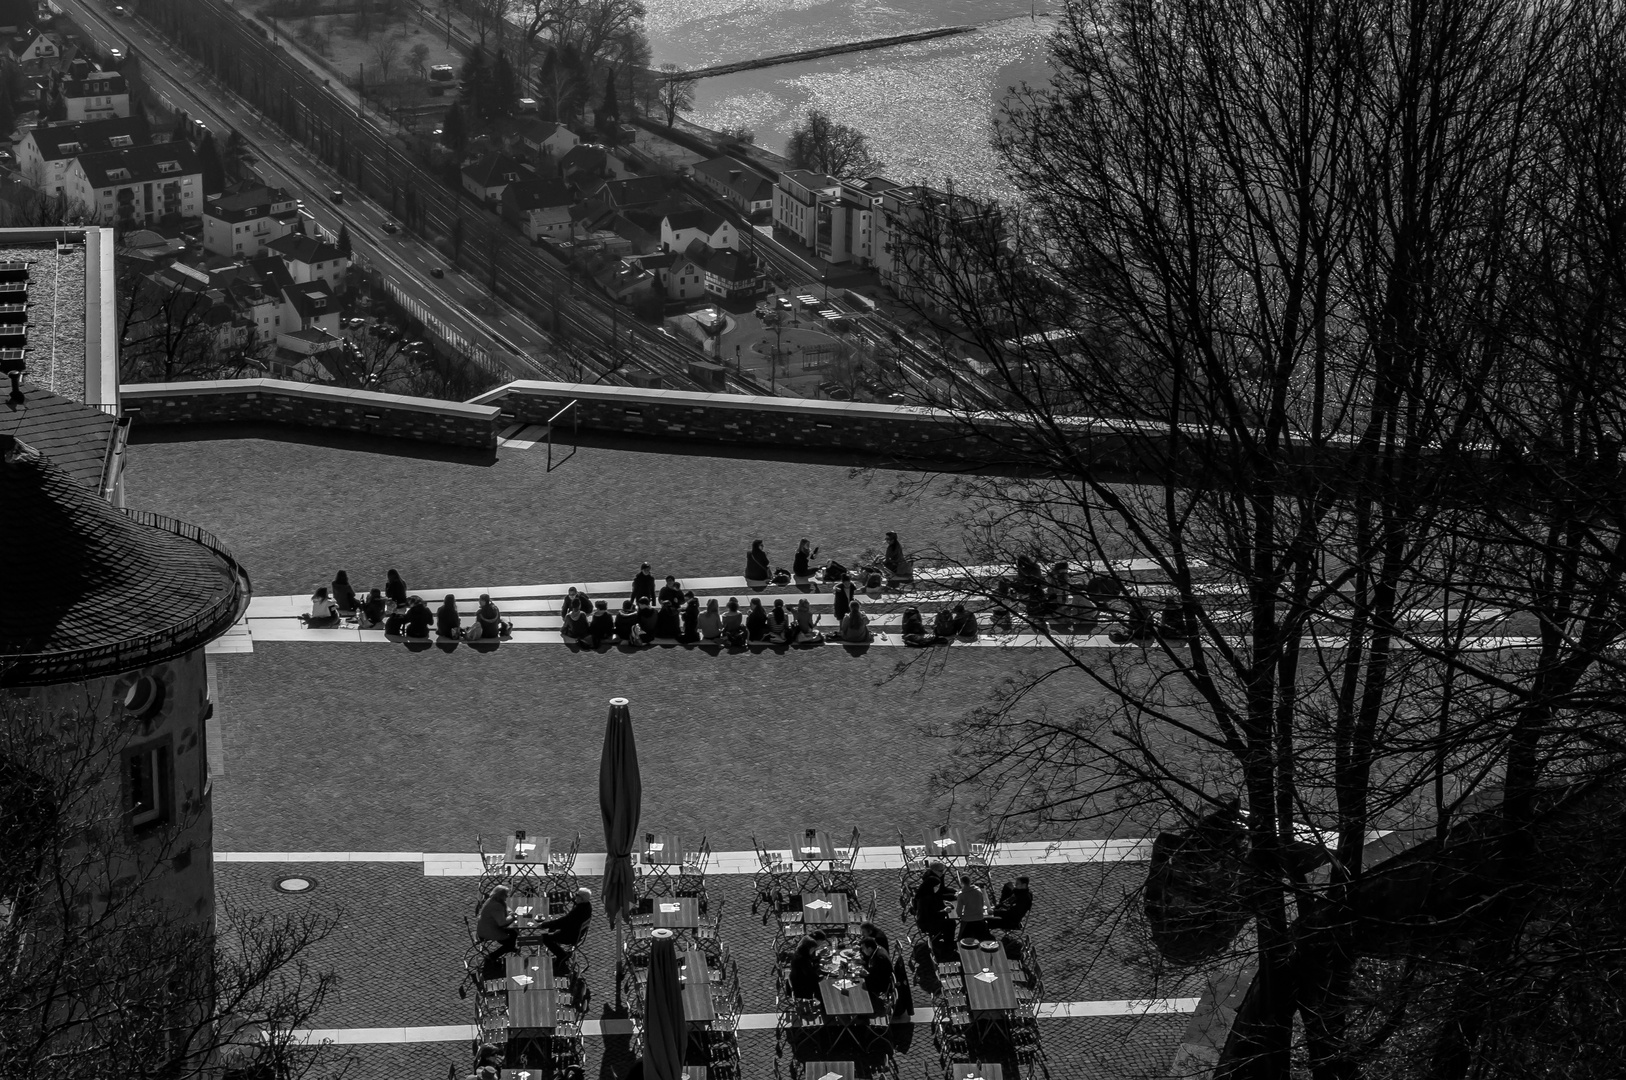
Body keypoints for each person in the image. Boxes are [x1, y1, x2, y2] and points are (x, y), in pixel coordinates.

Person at [534, 887, 593, 962]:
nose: (575, 897)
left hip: (570, 936)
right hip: (577, 933)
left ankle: (562, 955)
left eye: (577, 895)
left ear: (581, 899)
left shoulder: (578, 911)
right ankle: (561, 954)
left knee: (545, 938)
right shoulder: (587, 906)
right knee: (552, 929)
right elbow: (566, 921)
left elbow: (563, 922)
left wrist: (544, 925)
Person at [911, 861, 956, 952]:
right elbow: (933, 914)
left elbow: (935, 905)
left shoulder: (926, 894)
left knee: (949, 922)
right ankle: (948, 945)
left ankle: (944, 940)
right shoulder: (927, 898)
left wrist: (944, 906)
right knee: (951, 923)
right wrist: (944, 910)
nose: (938, 888)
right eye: (936, 887)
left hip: (925, 920)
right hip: (927, 923)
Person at [476, 884, 519, 961]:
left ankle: (511, 947)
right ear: (501, 895)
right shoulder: (496, 906)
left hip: (485, 927)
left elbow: (505, 907)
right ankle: (493, 956)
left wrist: (510, 912)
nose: (507, 896)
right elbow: (502, 923)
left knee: (514, 932)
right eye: (505, 895)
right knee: (511, 939)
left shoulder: (492, 899)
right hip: (489, 931)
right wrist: (513, 917)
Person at [788, 932, 827, 999]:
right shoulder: (802, 960)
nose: (813, 951)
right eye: (813, 949)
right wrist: (822, 977)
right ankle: (823, 1004)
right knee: (823, 988)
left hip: (797, 981)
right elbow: (811, 976)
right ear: (809, 948)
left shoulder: (800, 954)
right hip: (801, 987)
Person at [858, 936, 894, 1007]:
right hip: (879, 977)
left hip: (881, 984)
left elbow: (875, 977)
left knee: (858, 984)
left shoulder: (879, 958)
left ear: (870, 948)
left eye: (863, 949)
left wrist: (864, 974)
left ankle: (863, 1005)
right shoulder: (877, 949)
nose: (862, 951)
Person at [955, 874, 989, 940]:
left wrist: (961, 915)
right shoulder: (978, 891)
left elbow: (959, 910)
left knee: (964, 939)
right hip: (979, 917)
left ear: (961, 883)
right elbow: (981, 903)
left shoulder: (962, 895)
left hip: (967, 919)